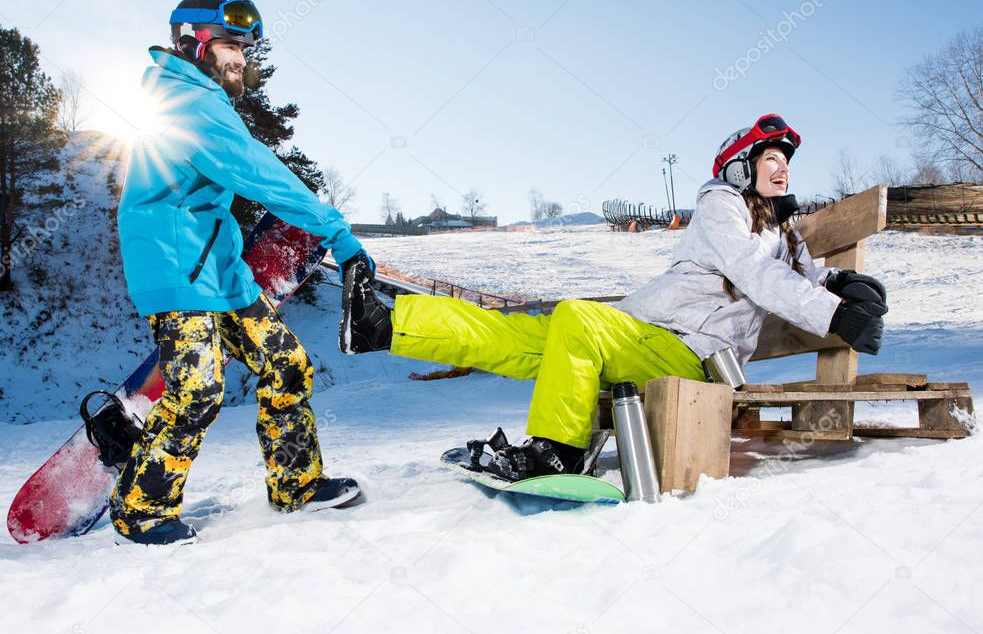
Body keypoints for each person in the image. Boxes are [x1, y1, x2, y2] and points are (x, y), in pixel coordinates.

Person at [339, 114, 888, 481]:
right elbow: (758, 269)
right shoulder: (724, 204)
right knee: (527, 334)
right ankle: (385, 324)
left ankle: (559, 451)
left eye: (787, 160)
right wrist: (831, 302)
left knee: (574, 319)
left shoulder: (781, 232)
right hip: (649, 338)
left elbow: (778, 276)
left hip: (689, 355)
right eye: (773, 157)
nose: (784, 167)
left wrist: (835, 291)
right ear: (741, 164)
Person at [114, 0, 377, 544]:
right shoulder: (188, 103)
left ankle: (296, 484)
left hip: (221, 275)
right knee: (197, 389)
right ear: (195, 43)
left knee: (287, 365)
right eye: (231, 46)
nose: (241, 59)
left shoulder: (204, 100)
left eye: (244, 49)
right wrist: (339, 235)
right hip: (177, 269)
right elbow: (262, 174)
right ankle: (140, 511)